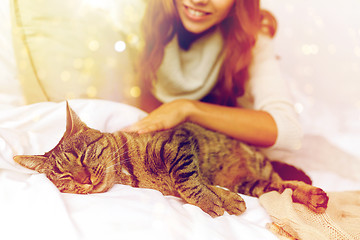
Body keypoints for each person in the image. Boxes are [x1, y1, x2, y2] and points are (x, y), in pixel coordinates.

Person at [127, 0, 302, 151]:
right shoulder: (132, 20)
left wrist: (186, 108)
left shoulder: (250, 37)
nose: (198, 0)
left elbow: (289, 131)